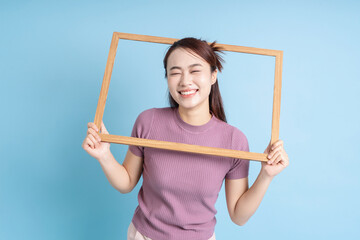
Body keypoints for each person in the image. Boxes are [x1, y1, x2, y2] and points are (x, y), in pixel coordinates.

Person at [82, 37, 289, 240]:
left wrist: (266, 175)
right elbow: (126, 182)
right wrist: (104, 155)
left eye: (195, 70)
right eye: (175, 72)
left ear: (213, 75)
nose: (185, 81)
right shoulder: (149, 121)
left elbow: (238, 215)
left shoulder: (235, 140)